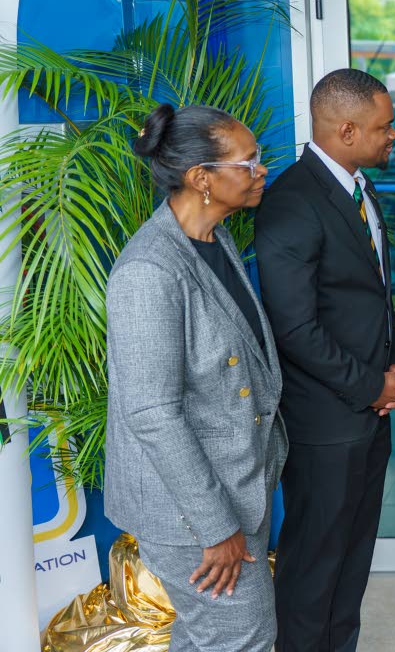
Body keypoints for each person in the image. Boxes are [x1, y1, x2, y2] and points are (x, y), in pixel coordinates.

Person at [105, 103, 286, 651]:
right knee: (243, 638)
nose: (261, 171)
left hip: (236, 484)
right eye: (248, 162)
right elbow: (152, 414)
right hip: (193, 513)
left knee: (209, 636)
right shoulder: (148, 272)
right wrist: (216, 528)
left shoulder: (214, 240)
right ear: (201, 178)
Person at [256, 69, 395, 652]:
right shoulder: (293, 203)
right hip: (325, 421)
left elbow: (372, 292)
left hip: (367, 411)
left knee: (352, 560)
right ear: (347, 130)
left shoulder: (359, 187)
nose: (394, 135)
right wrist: (369, 385)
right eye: (385, 126)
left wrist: (393, 370)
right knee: (313, 566)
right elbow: (295, 327)